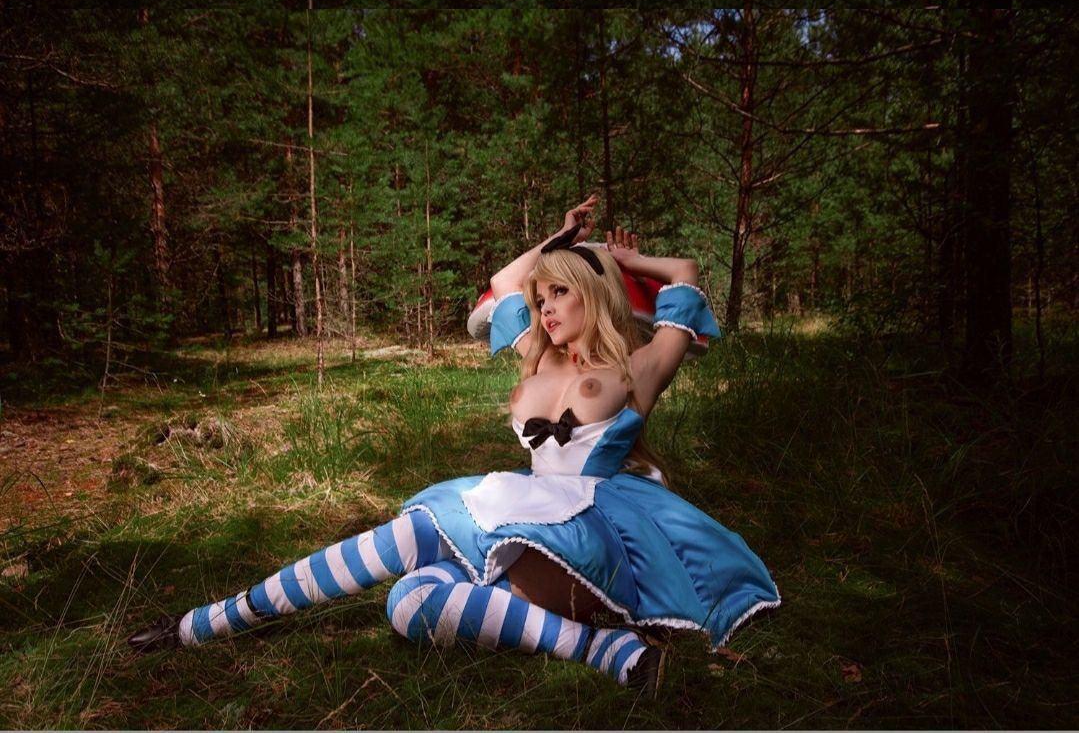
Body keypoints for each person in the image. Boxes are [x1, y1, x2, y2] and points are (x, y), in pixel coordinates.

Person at [126, 194, 781, 697]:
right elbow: (504, 278)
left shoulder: (636, 372)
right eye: (542, 297)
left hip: (588, 536)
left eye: (561, 292)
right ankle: (614, 654)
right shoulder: (535, 357)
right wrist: (560, 239)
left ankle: (205, 624)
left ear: (594, 293)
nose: (546, 308)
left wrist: (624, 261)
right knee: (407, 601)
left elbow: (685, 276)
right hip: (524, 516)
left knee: (411, 535)